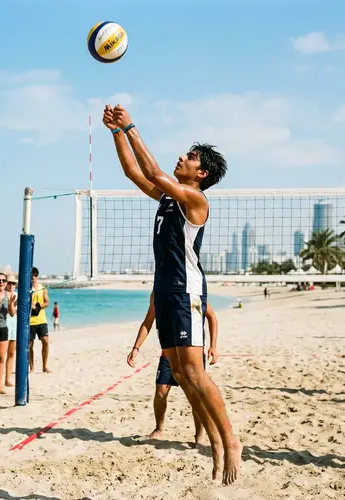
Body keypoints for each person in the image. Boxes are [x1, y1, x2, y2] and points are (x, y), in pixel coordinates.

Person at [104, 104, 241, 485]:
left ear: (202, 173)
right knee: (180, 373)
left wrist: (130, 125)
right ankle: (214, 441)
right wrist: (116, 132)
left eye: (190, 156)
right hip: (164, 291)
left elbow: (153, 171)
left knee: (195, 371)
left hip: (186, 292)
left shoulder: (195, 201)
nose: (182, 156)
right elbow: (135, 172)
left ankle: (231, 440)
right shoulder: (169, 197)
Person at [127, 291, 219, 450]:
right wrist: (136, 348)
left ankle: (199, 436)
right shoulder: (158, 293)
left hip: (192, 355)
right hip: (168, 353)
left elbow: (210, 317)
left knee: (196, 395)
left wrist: (213, 346)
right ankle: (159, 429)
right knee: (160, 392)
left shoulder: (191, 293)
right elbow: (149, 320)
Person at [29, 268, 51, 373]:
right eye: (31, 276)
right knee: (30, 345)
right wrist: (30, 306)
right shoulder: (27, 288)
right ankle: (32, 367)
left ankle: (45, 366)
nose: (33, 278)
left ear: (37, 276)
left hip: (41, 320)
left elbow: (47, 302)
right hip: (30, 321)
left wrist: (38, 306)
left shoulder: (43, 288)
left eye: (35, 276)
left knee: (45, 341)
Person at [4, 274, 18, 387]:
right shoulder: (2, 295)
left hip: (14, 326)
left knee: (11, 353)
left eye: (13, 283)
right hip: (4, 325)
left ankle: (7, 378)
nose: (11, 285)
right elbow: (10, 311)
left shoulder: (18, 295)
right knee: (0, 354)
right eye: (9, 283)